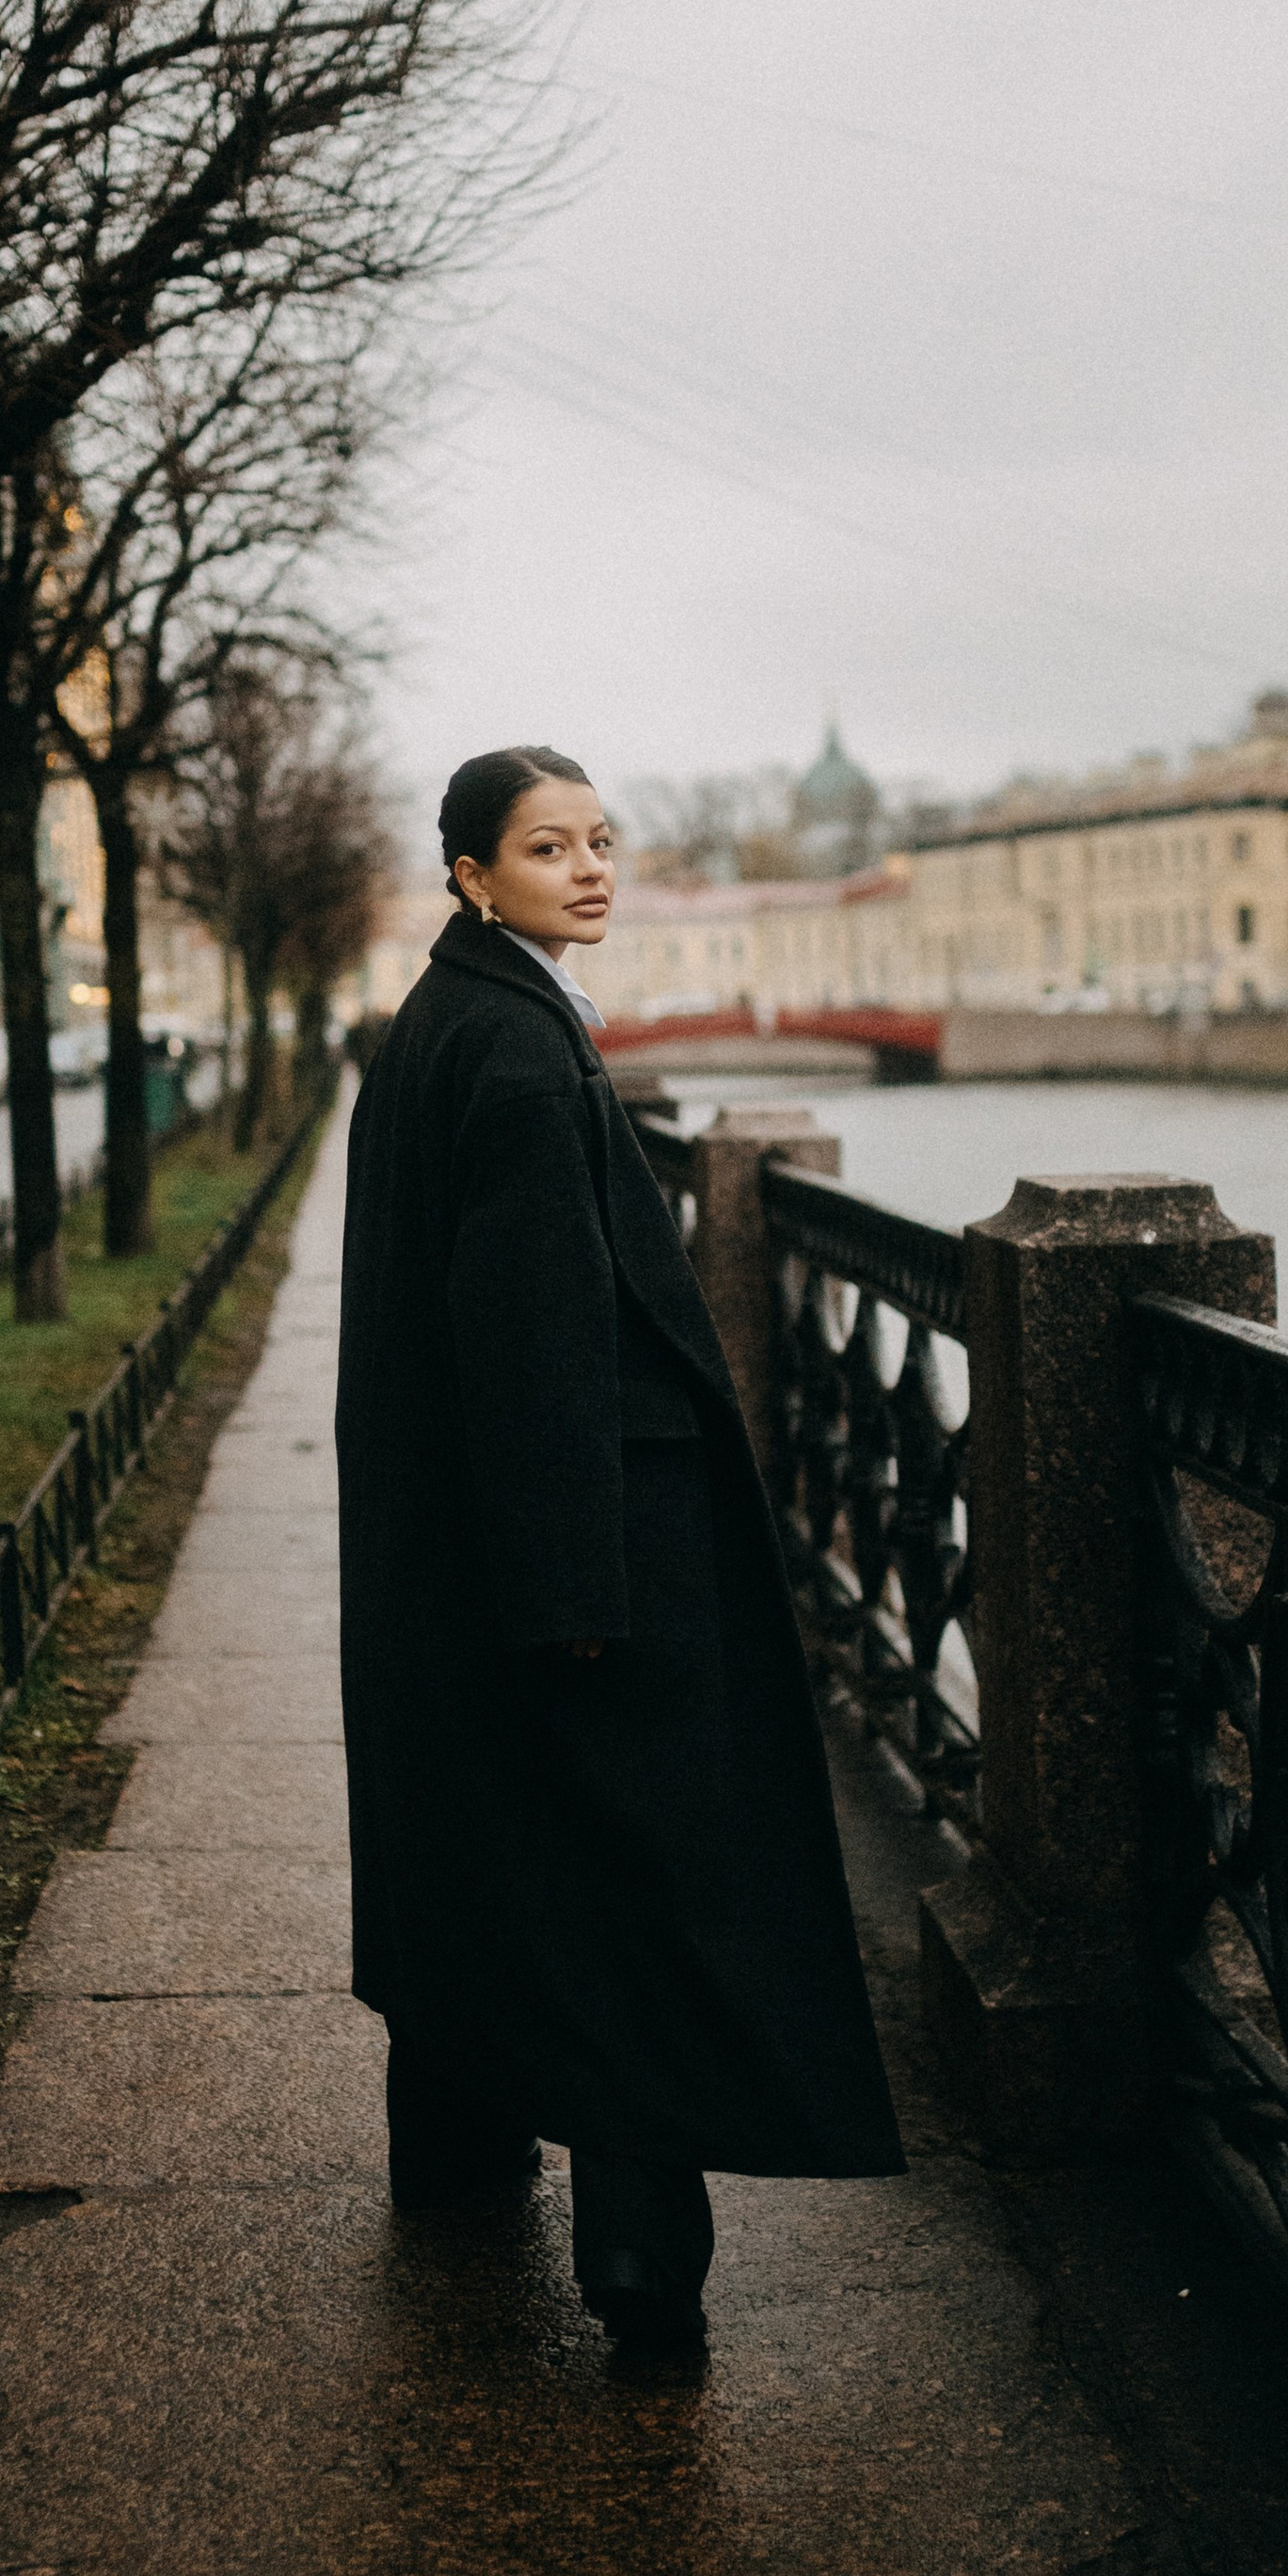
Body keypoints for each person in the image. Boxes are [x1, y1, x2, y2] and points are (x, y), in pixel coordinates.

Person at [335, 744, 903, 2355]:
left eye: (602, 841)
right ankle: (644, 2271)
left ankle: (452, 2159)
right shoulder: (521, 1058)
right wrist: (579, 1593)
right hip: (580, 1549)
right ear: (470, 875)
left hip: (464, 1546)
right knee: (639, 1881)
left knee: (485, 1849)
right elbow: (538, 1352)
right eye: (545, 847)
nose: (590, 871)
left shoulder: (452, 1019)